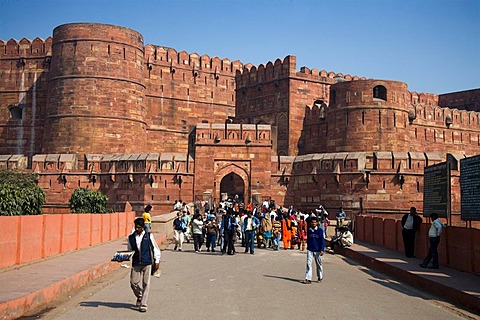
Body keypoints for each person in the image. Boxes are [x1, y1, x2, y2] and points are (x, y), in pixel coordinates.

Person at [127, 217, 160, 312]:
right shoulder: (131, 237)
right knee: (133, 283)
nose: (137, 229)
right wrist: (123, 256)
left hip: (147, 262)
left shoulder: (148, 236)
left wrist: (157, 260)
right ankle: (140, 295)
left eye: (138, 227)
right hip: (136, 262)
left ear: (142, 227)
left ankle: (144, 304)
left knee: (146, 283)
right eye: (136, 227)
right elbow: (129, 249)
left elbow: (155, 248)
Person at [302, 216, 325, 284]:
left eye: (315, 222)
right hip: (310, 249)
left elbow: (322, 241)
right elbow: (308, 239)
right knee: (308, 264)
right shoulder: (309, 230)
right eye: (312, 222)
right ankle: (308, 278)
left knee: (318, 264)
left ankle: (320, 277)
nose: (313, 224)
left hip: (318, 250)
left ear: (317, 223)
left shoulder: (320, 231)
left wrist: (322, 249)